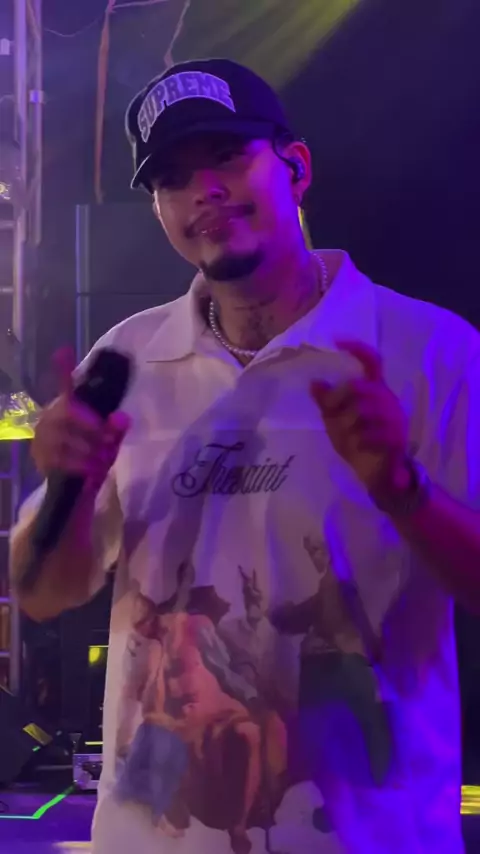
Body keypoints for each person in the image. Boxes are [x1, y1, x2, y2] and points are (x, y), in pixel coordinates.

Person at [9, 57, 480, 854]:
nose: (203, 191)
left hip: (364, 836)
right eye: (172, 178)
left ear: (295, 167)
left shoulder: (431, 352)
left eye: (227, 156)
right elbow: (43, 594)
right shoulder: (126, 361)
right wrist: (70, 491)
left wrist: (403, 491)